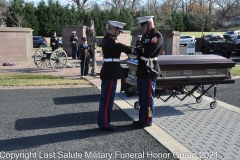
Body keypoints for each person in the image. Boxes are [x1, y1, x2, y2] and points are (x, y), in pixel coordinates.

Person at [98, 20, 133, 131]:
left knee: (106, 99)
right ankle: (104, 124)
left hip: (109, 71)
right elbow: (125, 48)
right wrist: (134, 49)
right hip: (110, 72)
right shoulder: (111, 40)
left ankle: (103, 122)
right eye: (119, 31)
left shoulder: (107, 38)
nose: (119, 33)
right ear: (114, 29)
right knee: (107, 100)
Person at [132, 16, 163, 128]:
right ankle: (141, 119)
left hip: (150, 70)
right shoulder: (145, 36)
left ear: (150, 24)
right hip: (142, 69)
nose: (142, 27)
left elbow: (149, 51)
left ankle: (147, 120)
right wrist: (138, 50)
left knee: (148, 97)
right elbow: (141, 49)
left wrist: (138, 50)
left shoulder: (157, 36)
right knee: (142, 97)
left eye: (143, 25)